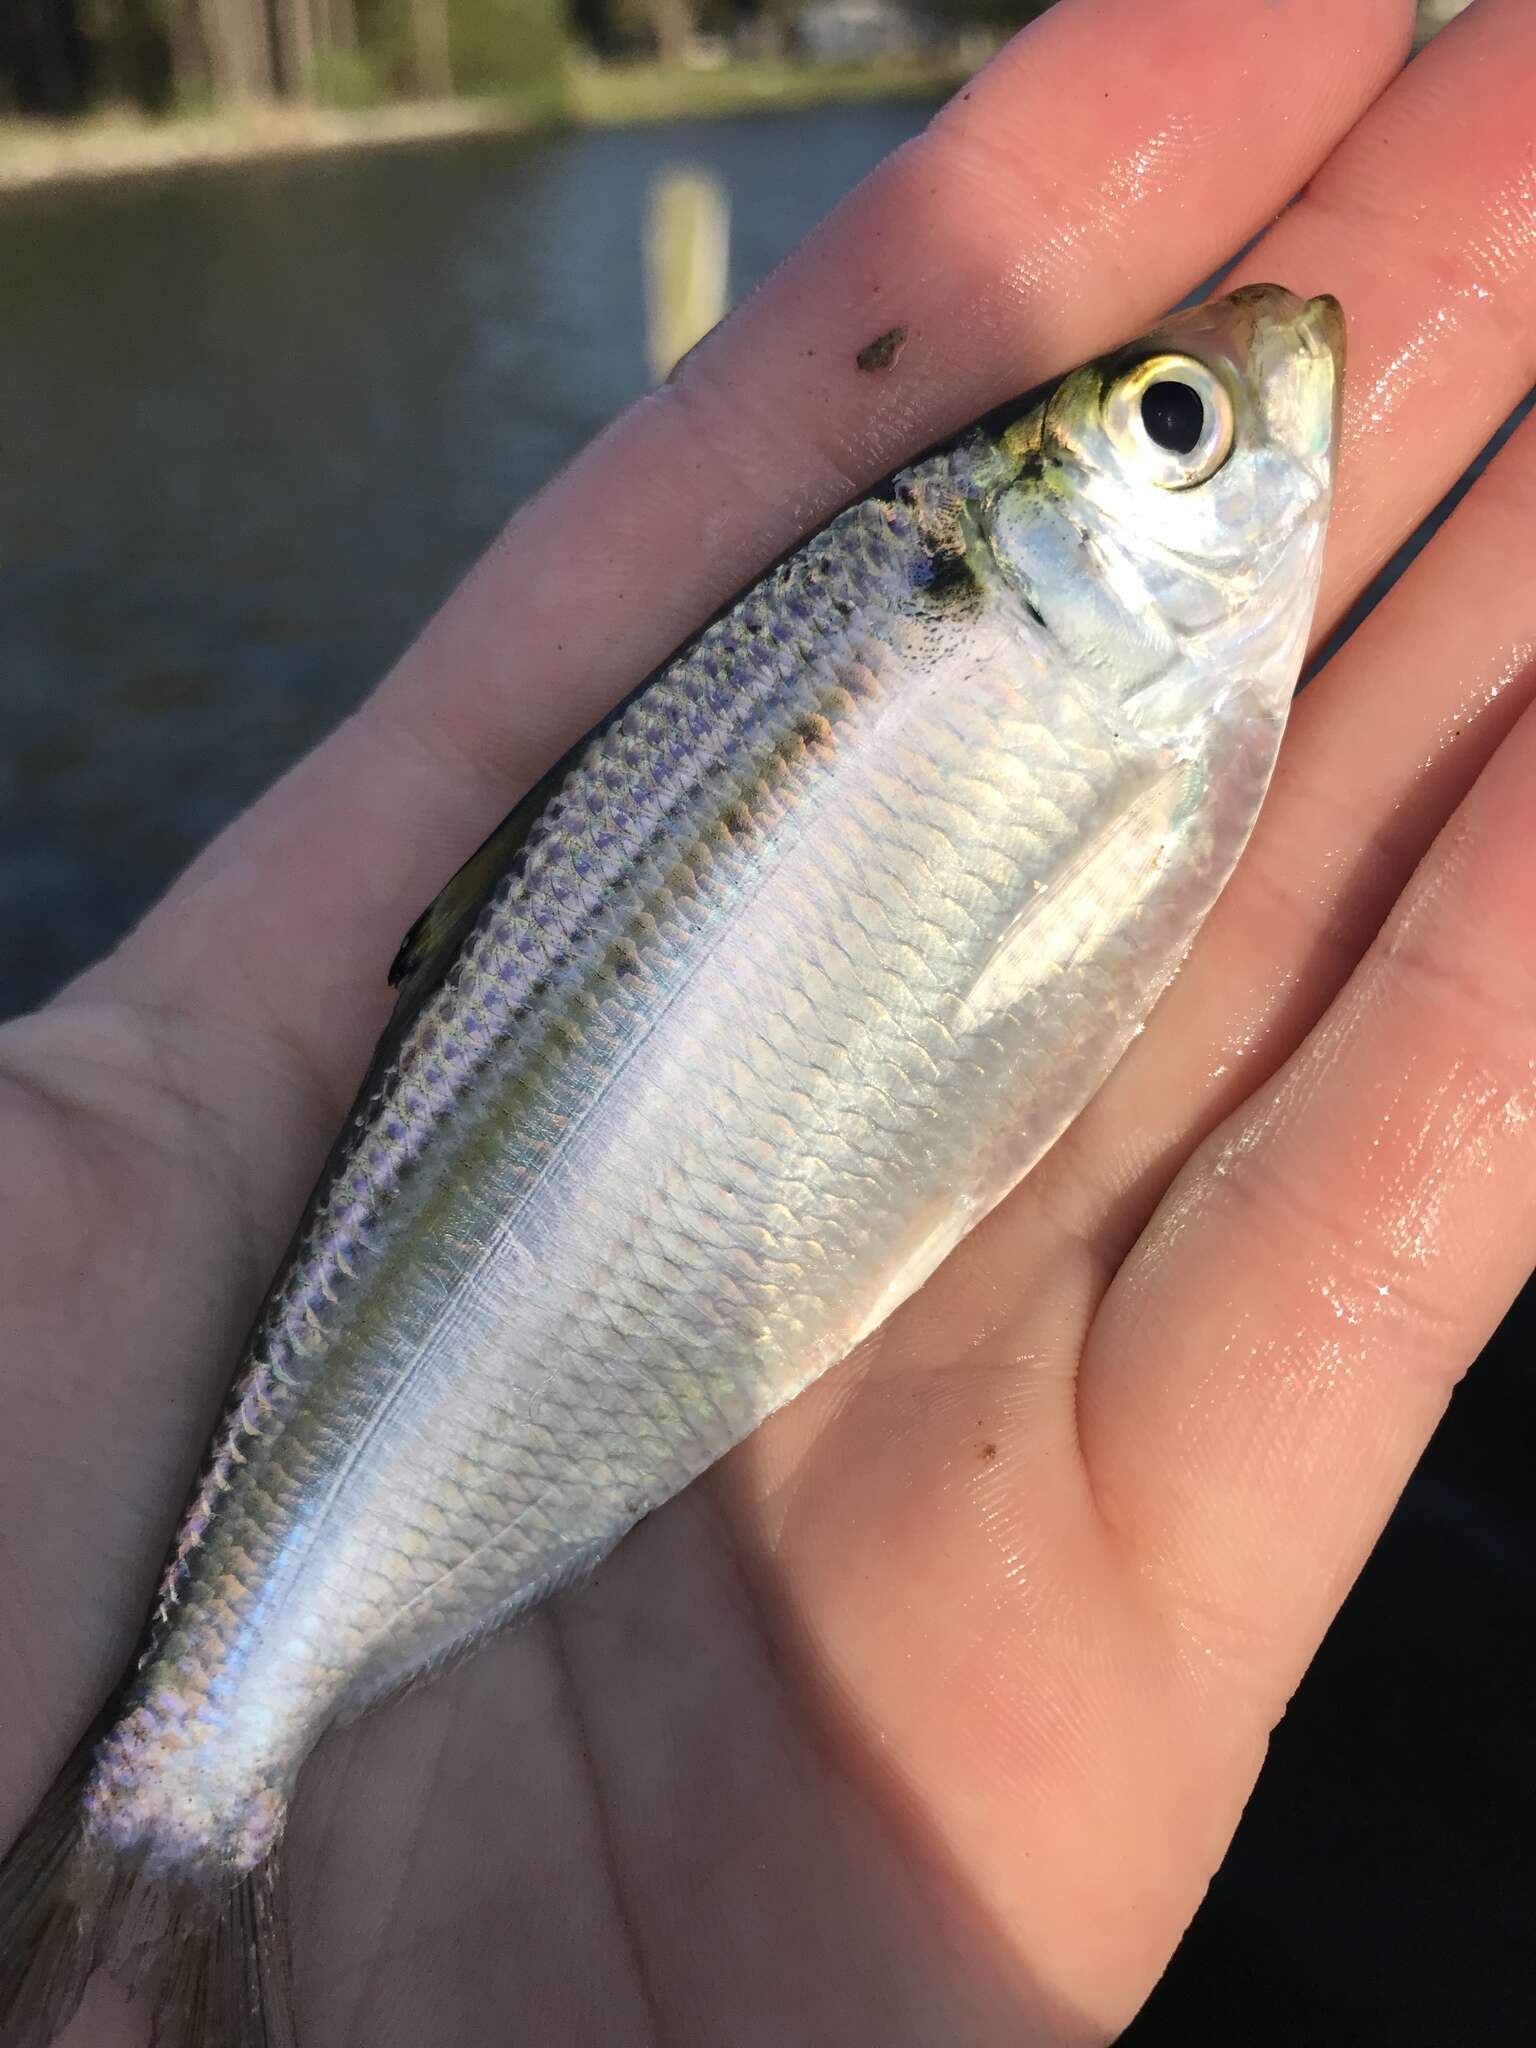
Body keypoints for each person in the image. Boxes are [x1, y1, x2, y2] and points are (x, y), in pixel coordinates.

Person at [2, 0, 1533, 2040]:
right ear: (1052, 540)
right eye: (1181, 427)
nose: (1281, 398)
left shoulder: (1055, 647)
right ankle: (182, 1787)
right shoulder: (998, 638)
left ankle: (187, 1781)